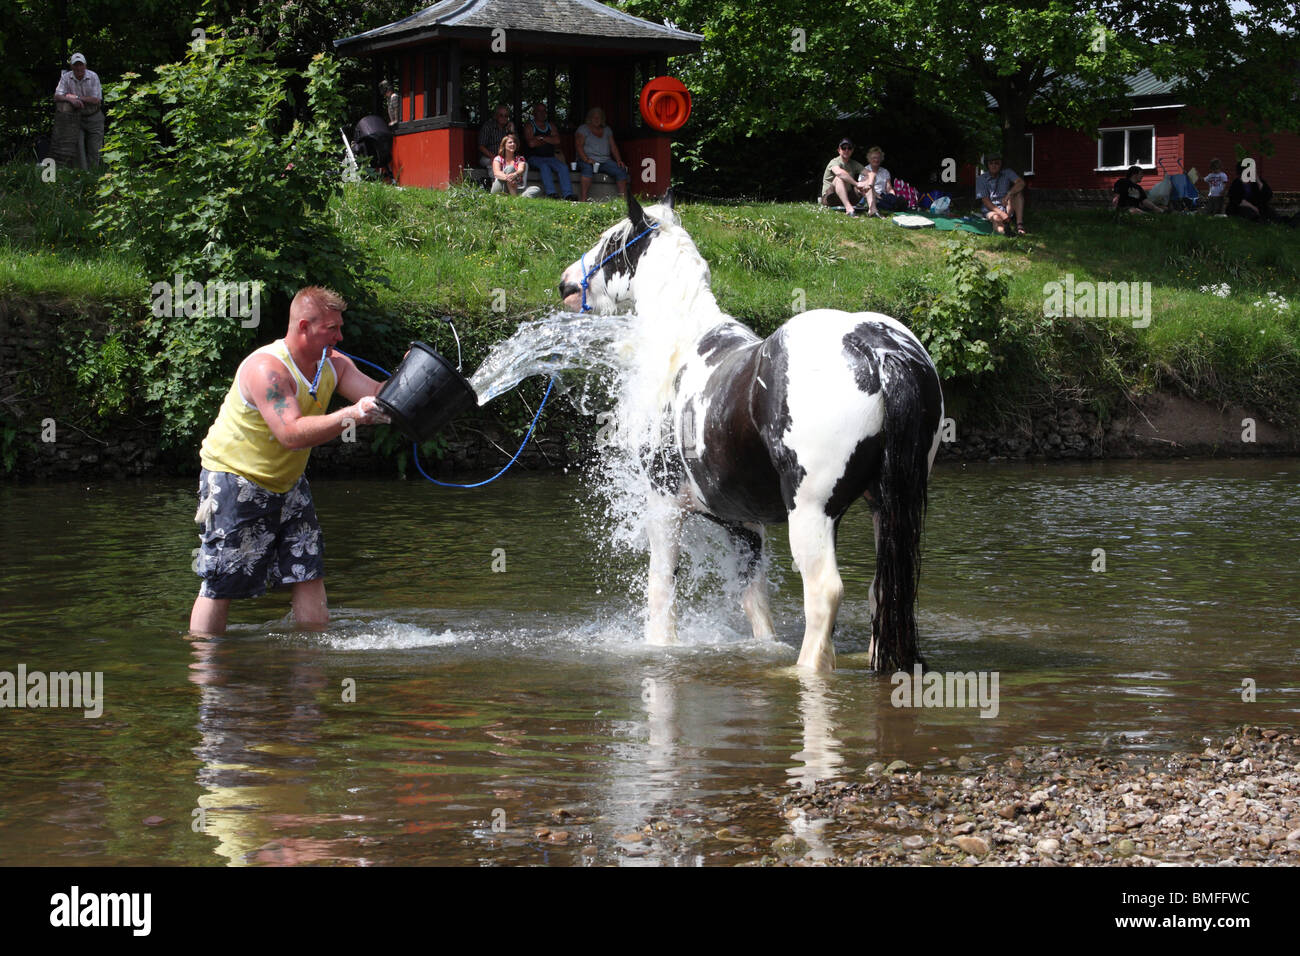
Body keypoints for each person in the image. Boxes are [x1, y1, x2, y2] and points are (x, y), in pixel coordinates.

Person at [189, 287, 391, 636]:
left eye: (339, 327)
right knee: (222, 579)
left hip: (288, 483)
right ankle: (207, 668)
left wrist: (415, 375)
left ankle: (311, 657)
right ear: (303, 327)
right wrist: (353, 416)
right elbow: (291, 434)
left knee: (308, 569)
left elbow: (378, 397)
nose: (340, 336)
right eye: (331, 328)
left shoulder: (334, 365)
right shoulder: (268, 369)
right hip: (235, 478)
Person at [51, 52, 104, 169]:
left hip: (94, 116)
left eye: (81, 65)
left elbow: (96, 100)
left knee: (95, 149)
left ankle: (94, 176)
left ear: (85, 65)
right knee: (78, 149)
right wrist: (69, 98)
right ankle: (82, 175)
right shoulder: (66, 77)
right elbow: (57, 96)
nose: (79, 68)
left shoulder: (93, 76)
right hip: (75, 117)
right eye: (76, 65)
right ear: (72, 67)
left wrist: (76, 97)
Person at [574, 107, 629, 201]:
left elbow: (613, 146)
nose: (596, 119)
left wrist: (619, 160)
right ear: (589, 118)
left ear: (602, 119)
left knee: (621, 171)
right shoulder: (583, 129)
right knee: (587, 170)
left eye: (599, 117)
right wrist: (587, 159)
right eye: (594, 117)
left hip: (605, 161)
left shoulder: (607, 130)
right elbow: (578, 146)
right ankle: (583, 199)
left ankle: (622, 201)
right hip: (587, 159)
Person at [524, 102, 575, 200]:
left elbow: (557, 140)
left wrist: (541, 138)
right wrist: (548, 139)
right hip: (534, 158)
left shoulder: (550, 125)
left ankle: (568, 195)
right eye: (539, 111)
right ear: (534, 113)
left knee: (563, 167)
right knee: (544, 167)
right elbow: (531, 144)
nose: (542, 113)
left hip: (550, 157)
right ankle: (551, 194)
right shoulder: (529, 125)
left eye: (544, 111)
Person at [976, 154, 1027, 233]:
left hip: (1006, 205)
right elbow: (985, 201)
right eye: (991, 163)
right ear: (987, 165)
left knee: (1018, 193)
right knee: (996, 218)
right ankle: (1006, 232)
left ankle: (1019, 225)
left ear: (1001, 165)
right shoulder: (981, 179)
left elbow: (1021, 183)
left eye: (997, 163)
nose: (994, 165)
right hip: (990, 209)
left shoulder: (1007, 172)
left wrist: (1009, 194)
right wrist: (1001, 213)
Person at [820, 138, 866, 215]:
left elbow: (870, 173)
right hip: (830, 197)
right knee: (839, 178)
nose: (846, 150)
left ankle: (873, 210)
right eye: (843, 148)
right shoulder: (834, 162)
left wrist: (867, 182)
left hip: (847, 196)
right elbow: (840, 173)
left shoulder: (854, 163)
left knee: (865, 181)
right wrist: (856, 184)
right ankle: (849, 209)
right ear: (839, 150)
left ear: (852, 150)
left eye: (849, 148)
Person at [859, 146, 905, 218]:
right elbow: (862, 188)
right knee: (886, 203)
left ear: (881, 159)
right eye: (874, 158)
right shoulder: (865, 170)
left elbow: (889, 188)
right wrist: (877, 195)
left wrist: (893, 196)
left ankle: (893, 204)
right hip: (871, 195)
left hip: (883, 196)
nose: (876, 160)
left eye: (878, 158)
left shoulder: (885, 172)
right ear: (869, 159)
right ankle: (891, 206)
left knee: (897, 199)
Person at [478, 105, 514, 170]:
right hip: (488, 157)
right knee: (496, 163)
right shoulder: (488, 127)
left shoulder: (509, 127)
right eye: (501, 115)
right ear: (496, 116)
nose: (504, 118)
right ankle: (495, 180)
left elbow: (516, 146)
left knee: (523, 164)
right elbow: (481, 146)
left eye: (506, 116)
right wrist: (493, 157)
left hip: (505, 158)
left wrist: (511, 131)